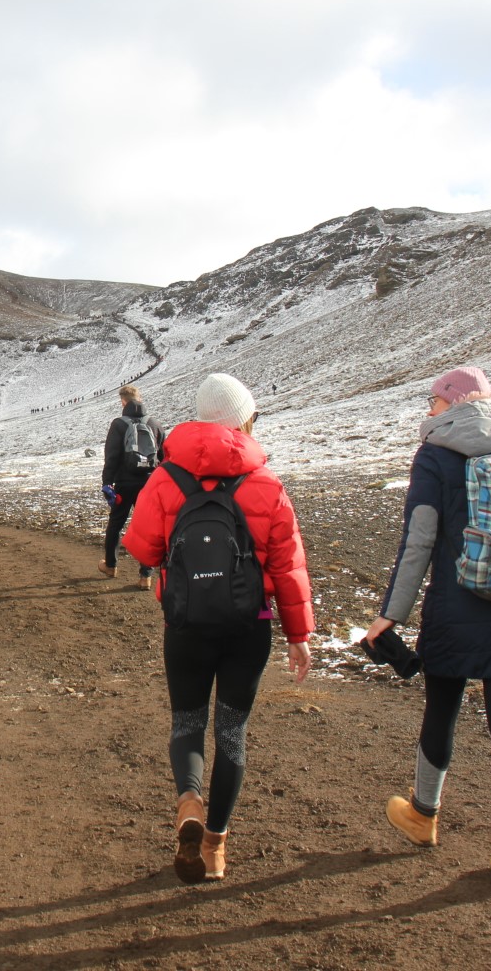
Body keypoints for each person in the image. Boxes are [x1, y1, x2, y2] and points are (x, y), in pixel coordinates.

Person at [123, 373, 313, 884]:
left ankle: (188, 801)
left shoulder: (167, 477)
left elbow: (141, 549)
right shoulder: (267, 484)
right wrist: (298, 636)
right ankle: (215, 847)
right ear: (245, 419)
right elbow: (287, 568)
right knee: (232, 733)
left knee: (187, 723)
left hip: (185, 624)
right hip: (247, 628)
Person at [362, 366, 491, 889]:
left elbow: (419, 540)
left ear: (453, 405)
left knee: (442, 708)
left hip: (457, 606)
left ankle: (423, 816)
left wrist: (390, 614)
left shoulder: (437, 455)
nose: (428, 410)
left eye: (434, 402)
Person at [101, 384, 167, 589]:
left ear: (123, 402)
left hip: (123, 483)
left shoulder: (118, 424)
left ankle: (111, 566)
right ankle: (145, 576)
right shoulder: (154, 423)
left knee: (116, 524)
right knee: (146, 527)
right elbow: (164, 457)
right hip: (148, 484)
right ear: (140, 399)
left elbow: (111, 456)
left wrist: (107, 482)